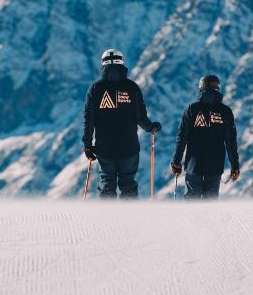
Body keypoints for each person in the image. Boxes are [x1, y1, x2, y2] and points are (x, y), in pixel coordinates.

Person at [82, 49, 159, 198]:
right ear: (122, 63)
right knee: (128, 184)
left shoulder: (95, 89)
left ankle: (105, 219)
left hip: (105, 148)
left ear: (103, 64)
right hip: (129, 147)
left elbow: (89, 118)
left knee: (107, 183)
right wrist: (152, 128)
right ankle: (129, 219)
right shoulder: (132, 88)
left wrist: (87, 144)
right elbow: (141, 118)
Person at [170, 74, 240, 199]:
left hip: (193, 166)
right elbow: (230, 142)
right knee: (210, 207)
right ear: (218, 89)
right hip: (215, 168)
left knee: (192, 205)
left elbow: (182, 138)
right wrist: (235, 166)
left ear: (201, 88)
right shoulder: (225, 112)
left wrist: (176, 162)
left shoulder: (192, 109)